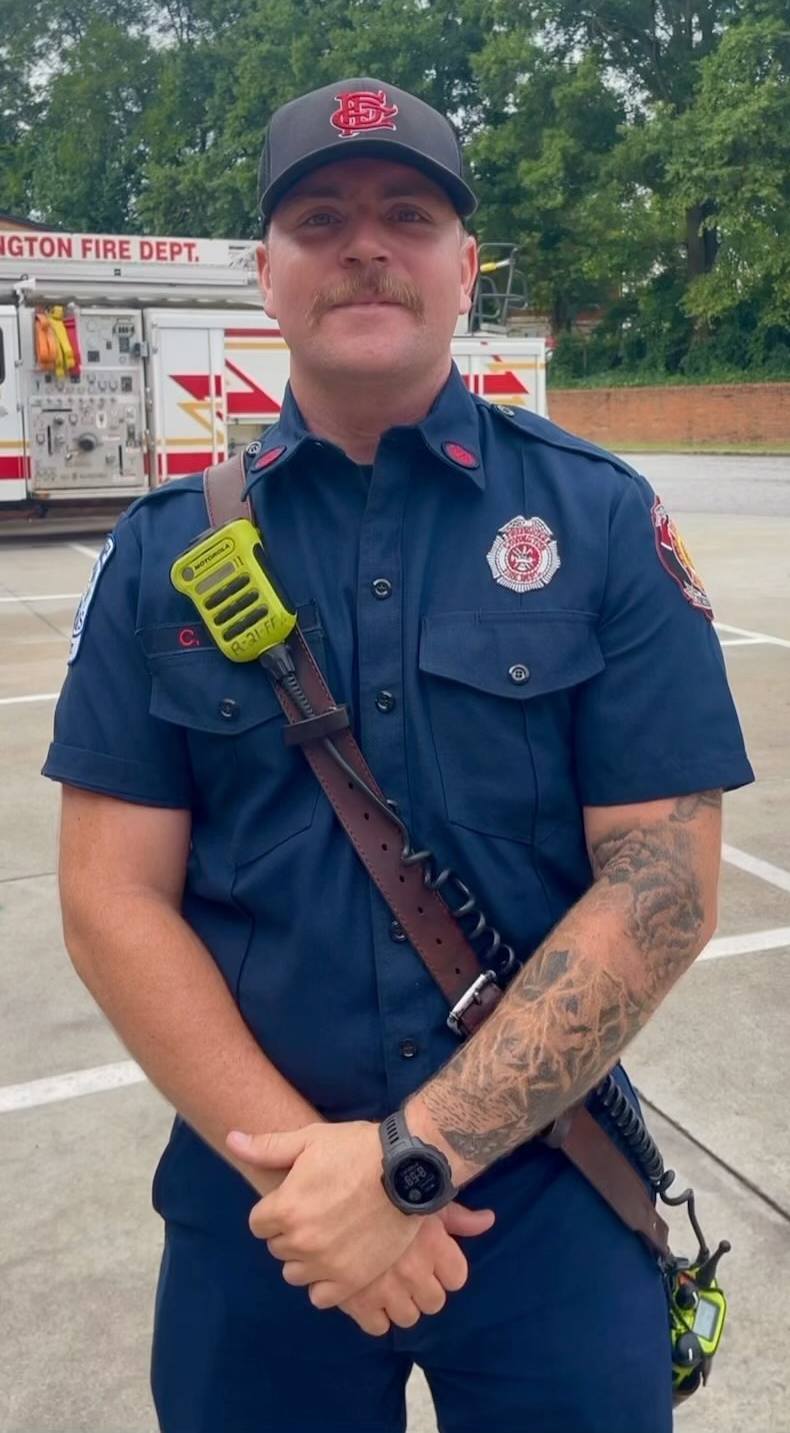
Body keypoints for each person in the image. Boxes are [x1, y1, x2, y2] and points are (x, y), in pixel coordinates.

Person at [44, 76, 754, 1433]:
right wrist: (313, 1179)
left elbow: (664, 884)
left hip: (549, 1196)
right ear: (266, 272)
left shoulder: (602, 524)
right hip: (265, 1213)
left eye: (408, 215)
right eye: (320, 218)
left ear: (465, 266)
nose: (365, 244)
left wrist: (410, 1167)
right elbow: (110, 897)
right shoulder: (160, 560)